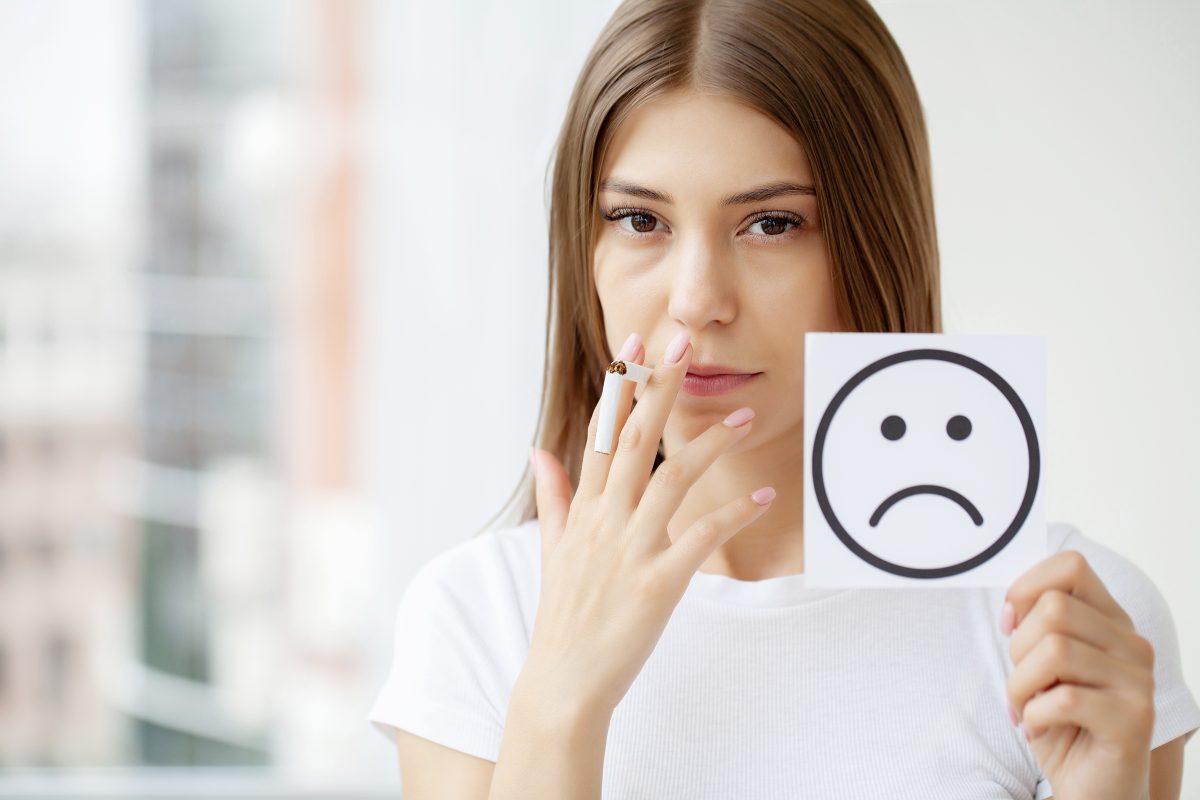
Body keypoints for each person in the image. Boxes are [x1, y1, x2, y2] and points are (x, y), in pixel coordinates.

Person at [369, 0, 1200, 797]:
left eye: (771, 223)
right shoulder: (480, 618)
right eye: (639, 220)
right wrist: (558, 704)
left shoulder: (1067, 630)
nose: (697, 300)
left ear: (877, 237)